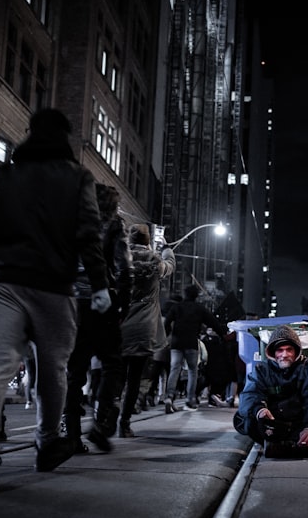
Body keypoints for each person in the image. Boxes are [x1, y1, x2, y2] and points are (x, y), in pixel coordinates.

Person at [0, 108, 112, 493]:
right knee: (53, 369)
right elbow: (88, 234)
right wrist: (99, 284)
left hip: (5, 281)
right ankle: (47, 443)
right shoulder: (78, 178)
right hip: (53, 286)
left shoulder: (5, 175)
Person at [63, 183, 133, 453]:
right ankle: (101, 422)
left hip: (73, 301)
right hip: (103, 299)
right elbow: (124, 269)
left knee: (75, 369)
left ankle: (71, 434)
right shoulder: (115, 227)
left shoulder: (72, 222)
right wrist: (122, 306)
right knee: (112, 363)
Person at [233, 325, 308, 458]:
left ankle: (283, 446)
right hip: (274, 424)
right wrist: (260, 410)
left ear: (296, 351)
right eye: (280, 350)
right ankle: (294, 446)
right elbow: (250, 395)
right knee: (243, 419)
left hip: (301, 423)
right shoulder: (262, 370)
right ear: (273, 352)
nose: (284, 355)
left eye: (289, 350)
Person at [119, 223, 176, 435]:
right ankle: (124, 423)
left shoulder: (121, 258)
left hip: (119, 324)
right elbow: (170, 265)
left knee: (113, 375)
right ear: (147, 241)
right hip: (144, 328)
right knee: (134, 377)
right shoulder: (154, 261)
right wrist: (167, 248)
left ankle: (103, 417)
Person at [164, 284, 229, 411]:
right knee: (193, 371)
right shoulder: (200, 309)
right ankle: (189, 400)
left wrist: (167, 336)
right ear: (196, 296)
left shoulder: (177, 307)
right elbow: (213, 322)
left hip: (176, 343)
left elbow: (167, 322)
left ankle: (169, 396)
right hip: (191, 343)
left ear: (185, 294)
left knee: (174, 369)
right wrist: (222, 335)